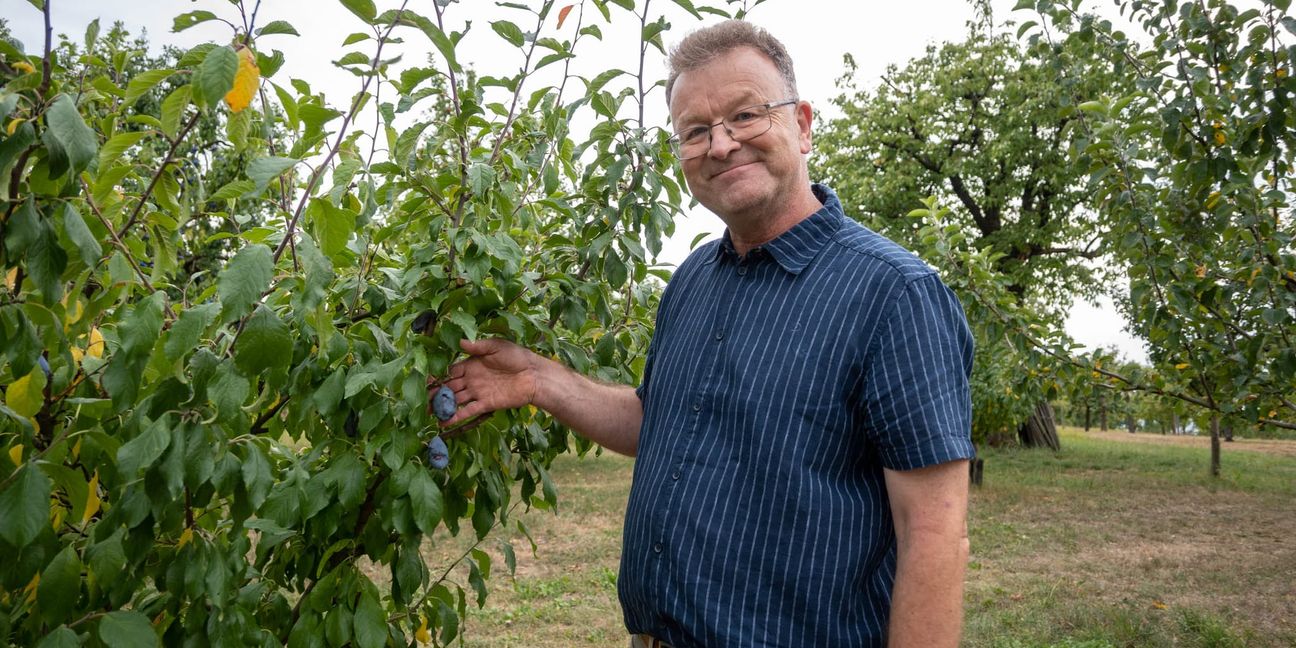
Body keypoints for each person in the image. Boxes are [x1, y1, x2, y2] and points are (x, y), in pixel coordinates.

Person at [434, 19, 974, 648]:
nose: (721, 145)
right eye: (695, 131)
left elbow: (934, 535)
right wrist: (537, 379)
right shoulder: (694, 277)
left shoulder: (893, 295)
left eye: (746, 116)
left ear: (801, 125)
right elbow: (661, 420)